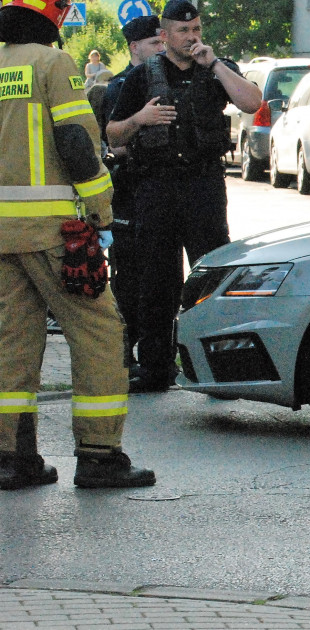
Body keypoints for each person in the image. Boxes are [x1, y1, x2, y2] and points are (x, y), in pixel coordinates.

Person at [0, 0, 155, 490]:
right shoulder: (52, 63)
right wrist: (100, 209)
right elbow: (74, 142)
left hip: (3, 234)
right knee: (101, 333)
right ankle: (99, 455)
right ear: (50, 16)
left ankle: (12, 458)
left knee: (13, 342)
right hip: (53, 232)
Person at [106, 0, 261, 393]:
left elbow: (251, 102)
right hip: (156, 188)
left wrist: (216, 65)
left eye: (196, 31)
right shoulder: (142, 78)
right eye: (183, 32)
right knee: (157, 282)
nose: (192, 38)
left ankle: (222, 369)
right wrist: (140, 120)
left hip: (204, 187)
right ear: (165, 35)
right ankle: (156, 368)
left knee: (214, 280)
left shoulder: (216, 69)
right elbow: (113, 134)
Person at [100, 14, 163, 371]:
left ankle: (157, 359)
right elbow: (115, 144)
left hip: (161, 191)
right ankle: (124, 358)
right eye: (154, 43)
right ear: (134, 46)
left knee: (160, 279)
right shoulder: (119, 85)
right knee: (129, 280)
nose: (160, 49)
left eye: (163, 42)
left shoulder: (170, 78)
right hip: (129, 191)